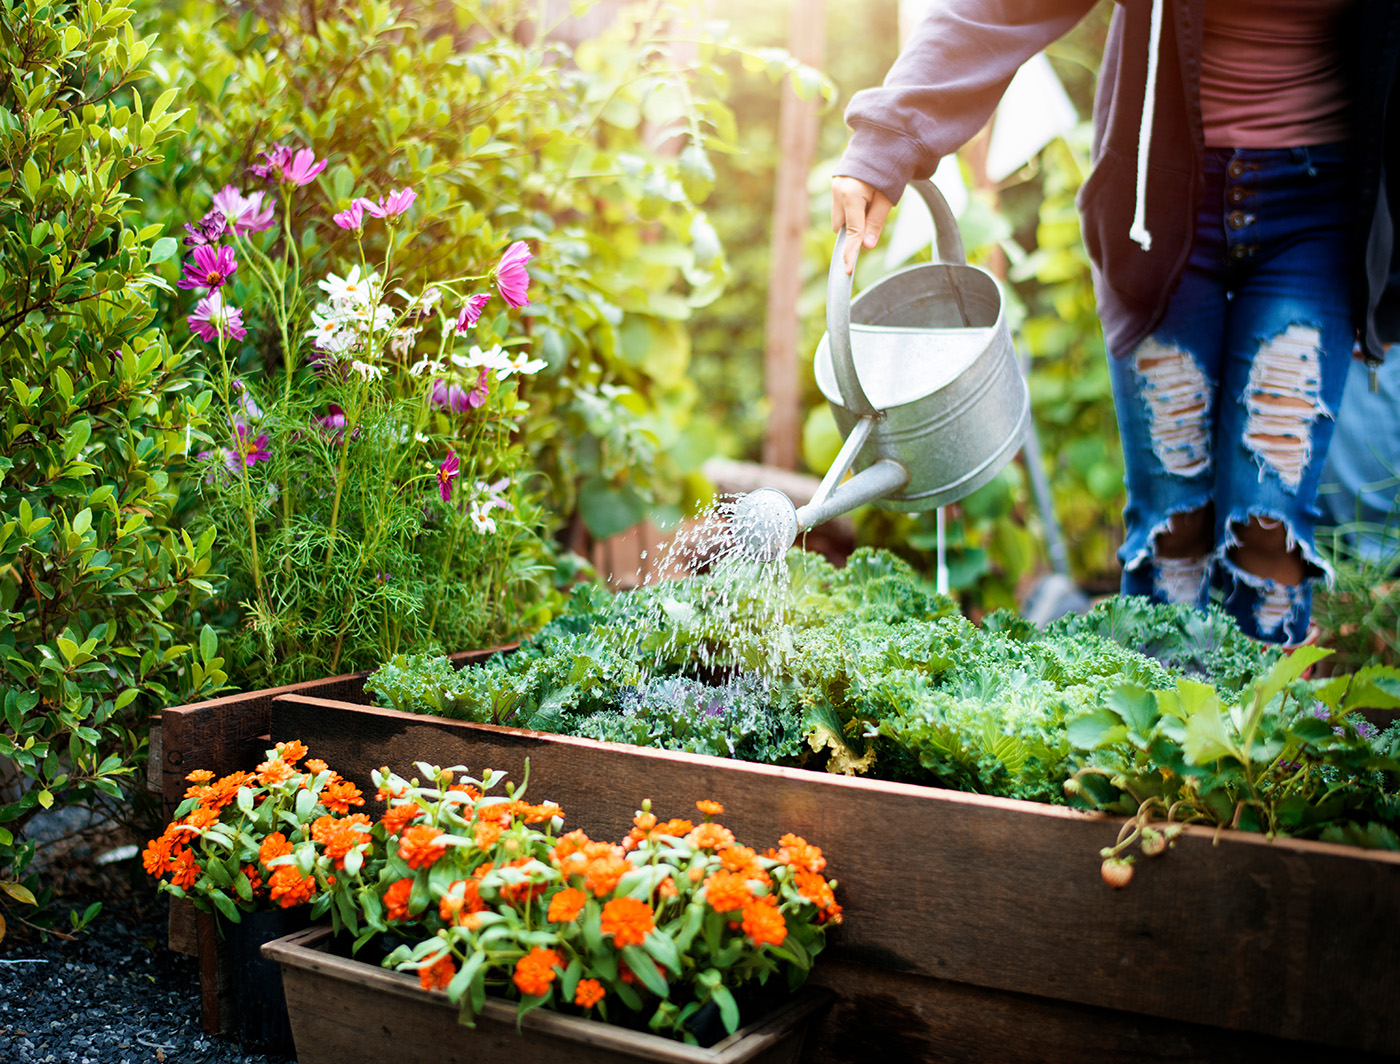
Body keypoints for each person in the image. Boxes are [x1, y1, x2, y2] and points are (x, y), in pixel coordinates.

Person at [830, 0, 1400, 645]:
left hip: (1317, 217)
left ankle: (1257, 738)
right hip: (1159, 208)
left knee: (1271, 528)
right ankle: (1159, 736)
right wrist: (887, 137)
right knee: (1174, 528)